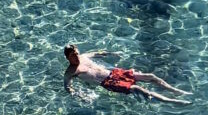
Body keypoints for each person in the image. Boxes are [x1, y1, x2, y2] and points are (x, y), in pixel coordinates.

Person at [63, 44, 192, 105]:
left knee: (150, 77)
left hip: (114, 73)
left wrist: (113, 53)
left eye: (76, 53)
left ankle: (175, 91)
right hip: (109, 83)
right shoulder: (71, 71)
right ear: (68, 58)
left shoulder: (84, 56)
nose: (76, 57)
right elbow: (67, 86)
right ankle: (172, 101)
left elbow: (99, 53)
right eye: (72, 56)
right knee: (138, 89)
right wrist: (79, 95)